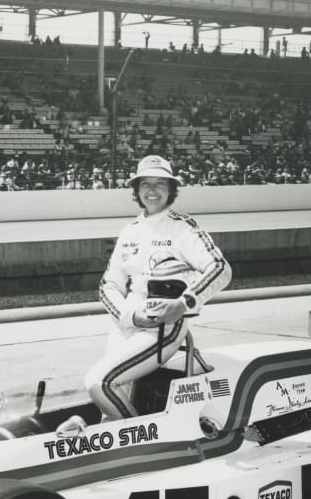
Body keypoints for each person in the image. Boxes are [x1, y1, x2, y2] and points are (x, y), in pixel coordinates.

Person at [84, 155, 231, 421]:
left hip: (162, 328)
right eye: (145, 184)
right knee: (111, 397)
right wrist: (129, 316)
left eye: (160, 183)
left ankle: (137, 440)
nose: (152, 191)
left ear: (171, 189)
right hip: (126, 323)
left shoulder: (183, 227)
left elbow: (220, 268)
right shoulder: (130, 231)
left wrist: (184, 303)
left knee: (98, 382)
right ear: (137, 190)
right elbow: (109, 285)